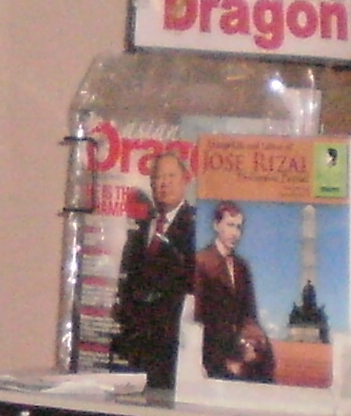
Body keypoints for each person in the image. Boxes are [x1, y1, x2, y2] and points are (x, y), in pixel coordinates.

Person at [110, 148, 199, 385]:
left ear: (185, 180)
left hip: (174, 343)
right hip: (138, 344)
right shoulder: (142, 228)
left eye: (171, 176)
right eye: (158, 178)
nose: (164, 183)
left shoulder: (196, 227)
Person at [190, 201, 276, 381]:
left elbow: (250, 313)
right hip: (212, 352)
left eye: (238, 227)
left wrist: (250, 345)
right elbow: (196, 316)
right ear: (216, 225)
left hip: (240, 349)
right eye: (230, 225)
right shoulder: (201, 262)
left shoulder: (242, 266)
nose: (235, 233)